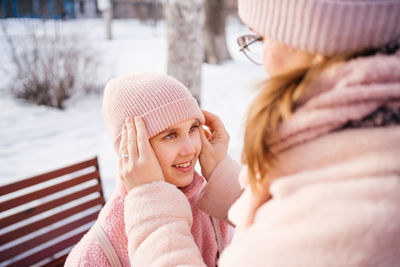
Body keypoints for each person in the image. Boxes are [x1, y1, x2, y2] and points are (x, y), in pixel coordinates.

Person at [119, 0, 400, 266]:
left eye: (264, 39)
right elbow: (291, 210)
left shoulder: (348, 207)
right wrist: (220, 172)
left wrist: (152, 210)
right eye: (170, 135)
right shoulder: (370, 145)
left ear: (316, 40)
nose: (264, 62)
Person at [65, 72, 235, 267]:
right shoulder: (93, 257)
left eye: (193, 128)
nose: (190, 149)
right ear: (130, 148)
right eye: (170, 135)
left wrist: (220, 171)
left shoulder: (212, 209)